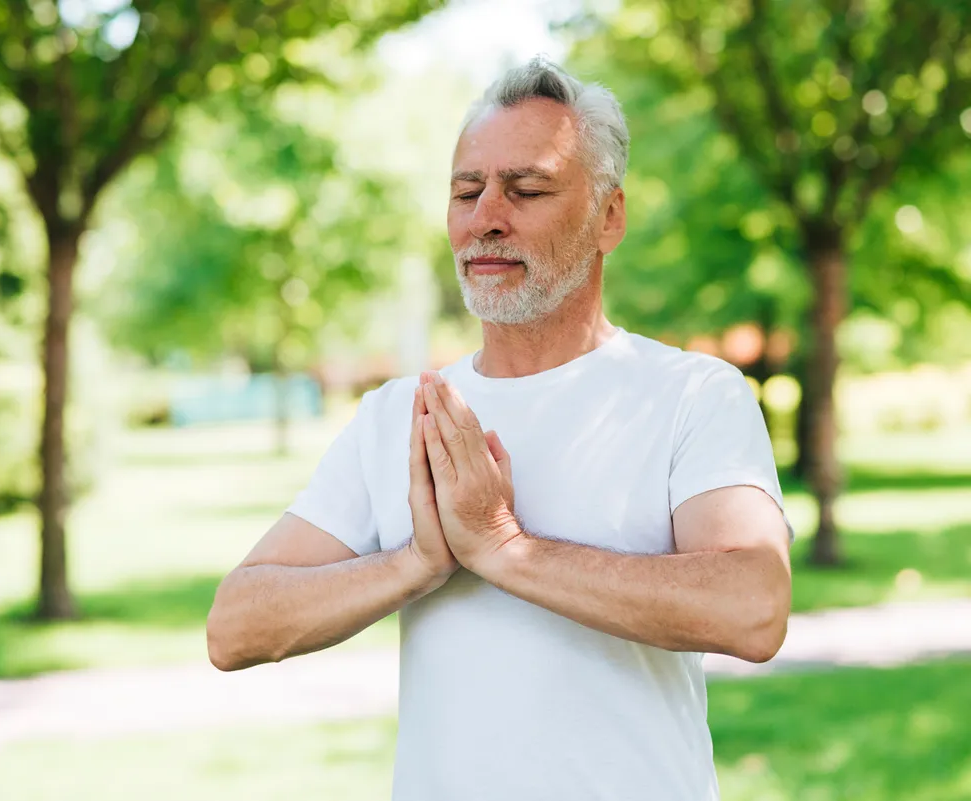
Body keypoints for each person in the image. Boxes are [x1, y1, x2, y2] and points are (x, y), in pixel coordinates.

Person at [206, 56, 793, 801]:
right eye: (466, 191)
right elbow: (236, 626)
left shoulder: (690, 395)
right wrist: (414, 563)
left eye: (527, 189)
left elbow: (754, 606)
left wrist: (506, 548)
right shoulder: (402, 414)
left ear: (608, 215)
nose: (487, 217)